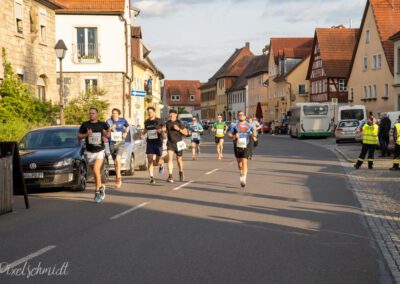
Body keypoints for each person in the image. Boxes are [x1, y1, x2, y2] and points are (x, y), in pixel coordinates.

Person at [77, 108, 110, 203]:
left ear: (97, 114)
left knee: (96, 169)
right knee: (96, 174)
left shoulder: (102, 124)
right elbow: (78, 136)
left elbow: (108, 131)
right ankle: (102, 188)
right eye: (90, 113)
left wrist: (106, 136)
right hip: (89, 152)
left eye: (93, 113)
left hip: (100, 151)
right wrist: (86, 134)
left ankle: (97, 192)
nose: (91, 115)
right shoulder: (85, 124)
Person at [228, 111, 257, 188]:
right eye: (239, 115)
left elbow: (254, 131)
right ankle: (241, 172)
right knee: (239, 164)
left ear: (245, 117)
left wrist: (254, 135)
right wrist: (234, 136)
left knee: (244, 162)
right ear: (238, 117)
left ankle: (243, 179)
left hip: (246, 145)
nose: (241, 116)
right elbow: (229, 134)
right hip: (237, 145)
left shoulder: (249, 125)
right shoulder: (234, 125)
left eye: (242, 115)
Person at [106, 108, 130, 189]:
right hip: (112, 144)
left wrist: (126, 132)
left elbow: (128, 126)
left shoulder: (122, 120)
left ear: (118, 114)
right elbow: (106, 133)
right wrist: (110, 129)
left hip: (120, 143)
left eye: (115, 113)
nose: (114, 114)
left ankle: (118, 179)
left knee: (117, 160)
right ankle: (118, 176)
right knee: (115, 163)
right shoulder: (108, 121)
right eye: (113, 113)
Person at [164, 109, 189, 183]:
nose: (171, 115)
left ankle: (181, 172)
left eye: (172, 114)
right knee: (170, 159)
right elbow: (165, 131)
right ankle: (170, 175)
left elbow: (186, 133)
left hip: (179, 144)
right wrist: (162, 131)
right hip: (170, 143)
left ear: (176, 115)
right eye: (170, 114)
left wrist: (179, 129)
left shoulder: (179, 122)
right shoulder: (167, 123)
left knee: (179, 160)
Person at [144, 106, 164, 184]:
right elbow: (145, 130)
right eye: (148, 112)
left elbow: (164, 128)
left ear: (154, 112)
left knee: (157, 161)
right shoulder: (146, 122)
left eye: (151, 112)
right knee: (150, 160)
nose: (149, 113)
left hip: (158, 142)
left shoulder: (159, 120)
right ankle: (151, 177)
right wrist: (142, 134)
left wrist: (161, 130)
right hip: (150, 142)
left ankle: (161, 164)